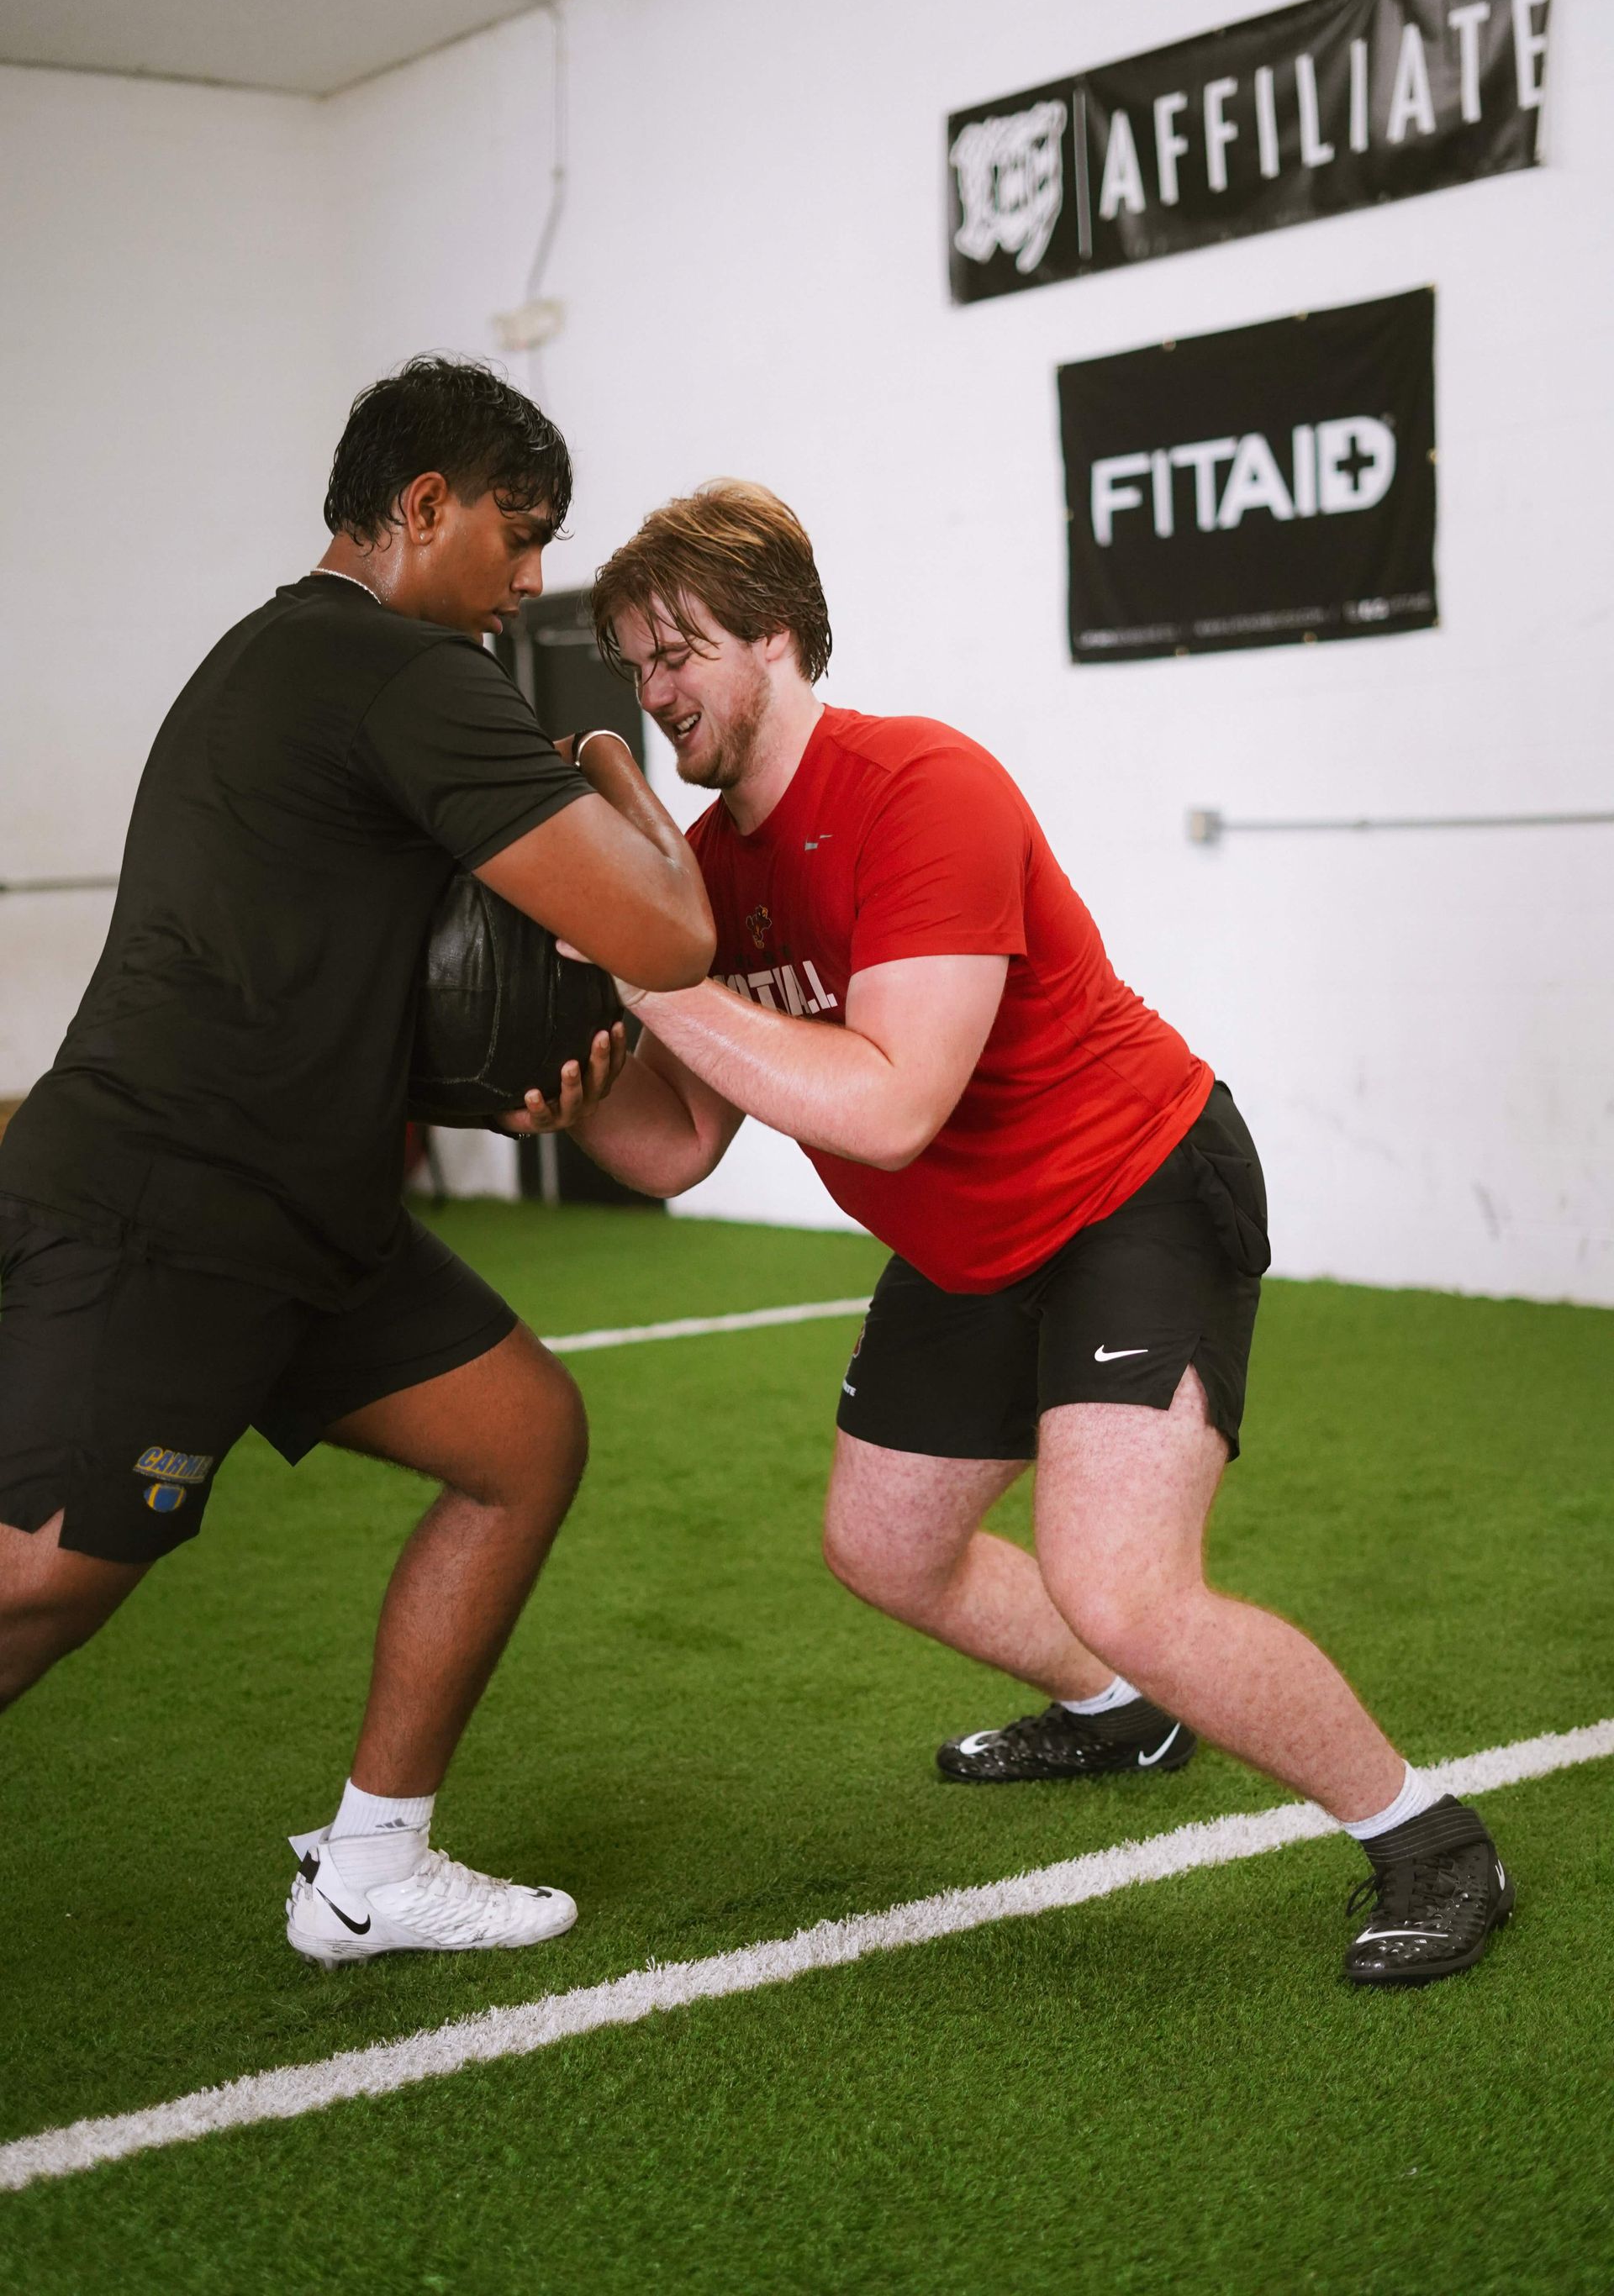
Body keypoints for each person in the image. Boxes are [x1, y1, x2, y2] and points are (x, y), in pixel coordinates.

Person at [530, 479, 1512, 1987]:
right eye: (637, 664)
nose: (657, 693)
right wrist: (562, 1081)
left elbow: (895, 1105)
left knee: (1123, 1582)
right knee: (884, 1545)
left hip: (1137, 1189)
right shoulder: (710, 877)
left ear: (780, 637)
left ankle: (1429, 1835)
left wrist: (644, 972)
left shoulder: (924, 785)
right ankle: (1126, 1711)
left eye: (684, 652)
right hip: (972, 1241)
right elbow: (671, 1144)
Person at [0, 358, 713, 1967]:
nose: (534, 580)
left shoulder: (274, 656)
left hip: (298, 1206)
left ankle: (371, 1868)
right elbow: (666, 932)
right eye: (520, 538)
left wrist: (493, 1088)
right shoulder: (408, 674)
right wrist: (609, 754)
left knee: (522, 1437)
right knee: (39, 1585)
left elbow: (327, 976)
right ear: (423, 507)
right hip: (170, 1207)